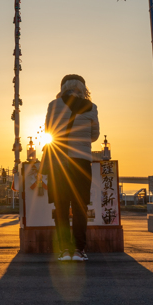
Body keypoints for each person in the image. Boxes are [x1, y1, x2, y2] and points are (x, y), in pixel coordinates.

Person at [44, 73, 100, 262]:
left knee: (61, 207)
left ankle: (64, 251)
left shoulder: (53, 105)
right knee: (80, 207)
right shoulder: (92, 108)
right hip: (82, 163)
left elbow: (48, 131)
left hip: (60, 163)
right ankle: (79, 250)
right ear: (83, 88)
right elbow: (94, 136)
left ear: (63, 87)